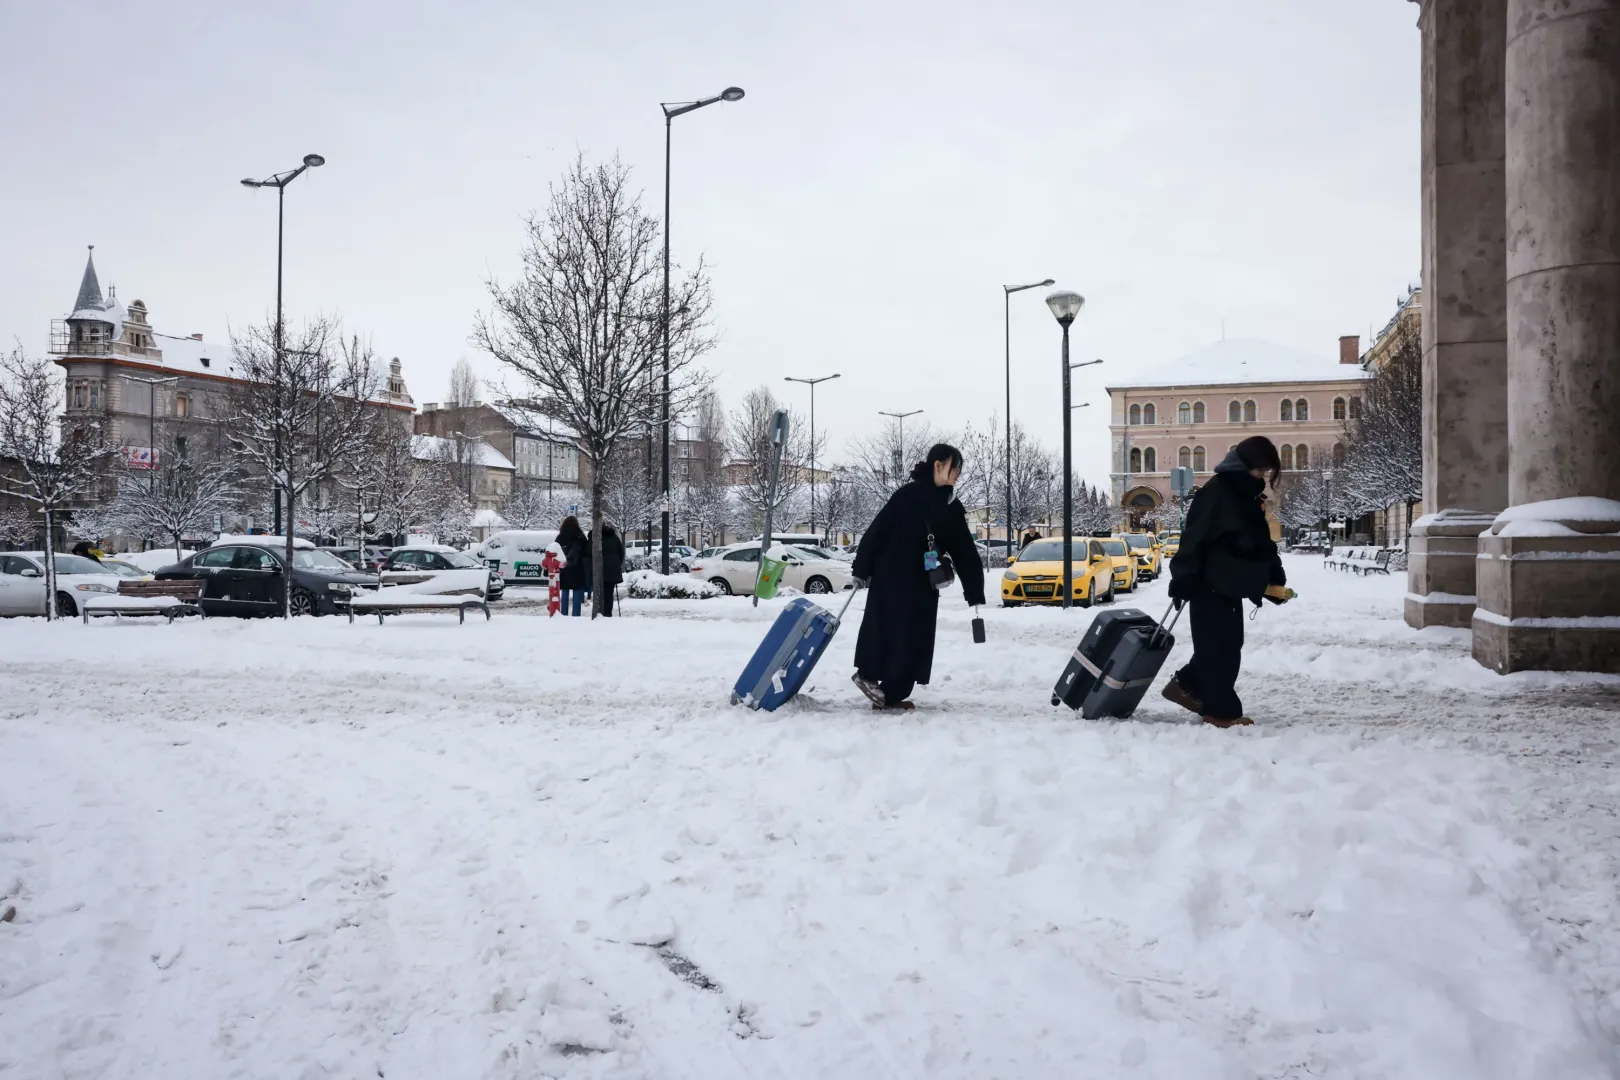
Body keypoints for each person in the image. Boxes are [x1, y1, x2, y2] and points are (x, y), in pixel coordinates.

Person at [1162, 435, 1287, 728]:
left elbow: (1259, 541)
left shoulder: (1245, 494)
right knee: (1219, 648)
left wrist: (1273, 576)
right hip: (1208, 582)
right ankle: (1221, 712)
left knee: (1226, 644)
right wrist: (1183, 577)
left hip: (1230, 582)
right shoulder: (1219, 492)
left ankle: (1186, 685)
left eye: (1267, 471)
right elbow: (1193, 538)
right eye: (1261, 470)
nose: (1264, 476)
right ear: (1245, 465)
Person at [851, 443, 987, 710]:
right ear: (938, 465)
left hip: (921, 583)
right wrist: (861, 569)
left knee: (914, 637)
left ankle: (891, 693)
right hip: (892, 577)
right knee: (887, 628)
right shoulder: (909, 496)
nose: (958, 473)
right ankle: (868, 677)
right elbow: (878, 530)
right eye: (954, 467)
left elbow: (965, 551)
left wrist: (974, 590)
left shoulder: (948, 504)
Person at [556, 515, 590, 617]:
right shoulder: (580, 536)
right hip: (577, 569)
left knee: (565, 591)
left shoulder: (560, 536)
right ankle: (576, 615)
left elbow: (555, 551)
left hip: (564, 567)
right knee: (577, 591)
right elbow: (586, 552)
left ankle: (563, 614)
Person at [599, 519, 626, 617]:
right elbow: (621, 552)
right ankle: (608, 613)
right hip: (613, 569)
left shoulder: (596, 537)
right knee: (609, 592)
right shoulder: (613, 537)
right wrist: (618, 563)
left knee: (600, 592)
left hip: (600, 569)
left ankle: (600, 612)